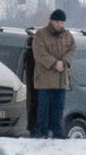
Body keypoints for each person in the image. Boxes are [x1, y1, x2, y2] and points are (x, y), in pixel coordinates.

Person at [28, 9, 75, 138]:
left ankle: (57, 133)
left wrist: (64, 62)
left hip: (61, 81)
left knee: (58, 110)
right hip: (45, 81)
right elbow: (39, 54)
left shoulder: (68, 36)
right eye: (57, 22)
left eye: (62, 22)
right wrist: (55, 63)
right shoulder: (41, 35)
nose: (60, 24)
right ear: (51, 21)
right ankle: (41, 133)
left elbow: (72, 49)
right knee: (43, 110)